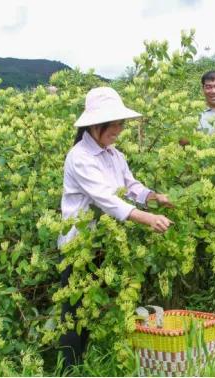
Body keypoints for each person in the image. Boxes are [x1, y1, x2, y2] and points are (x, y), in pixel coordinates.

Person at [57, 86, 173, 368]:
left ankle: (87, 366)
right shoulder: (80, 157)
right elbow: (106, 199)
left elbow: (129, 186)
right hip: (78, 246)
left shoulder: (113, 154)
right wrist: (146, 218)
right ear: (97, 124)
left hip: (103, 243)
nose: (120, 129)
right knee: (74, 315)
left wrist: (154, 197)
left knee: (94, 308)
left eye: (121, 123)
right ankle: (69, 370)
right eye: (116, 123)